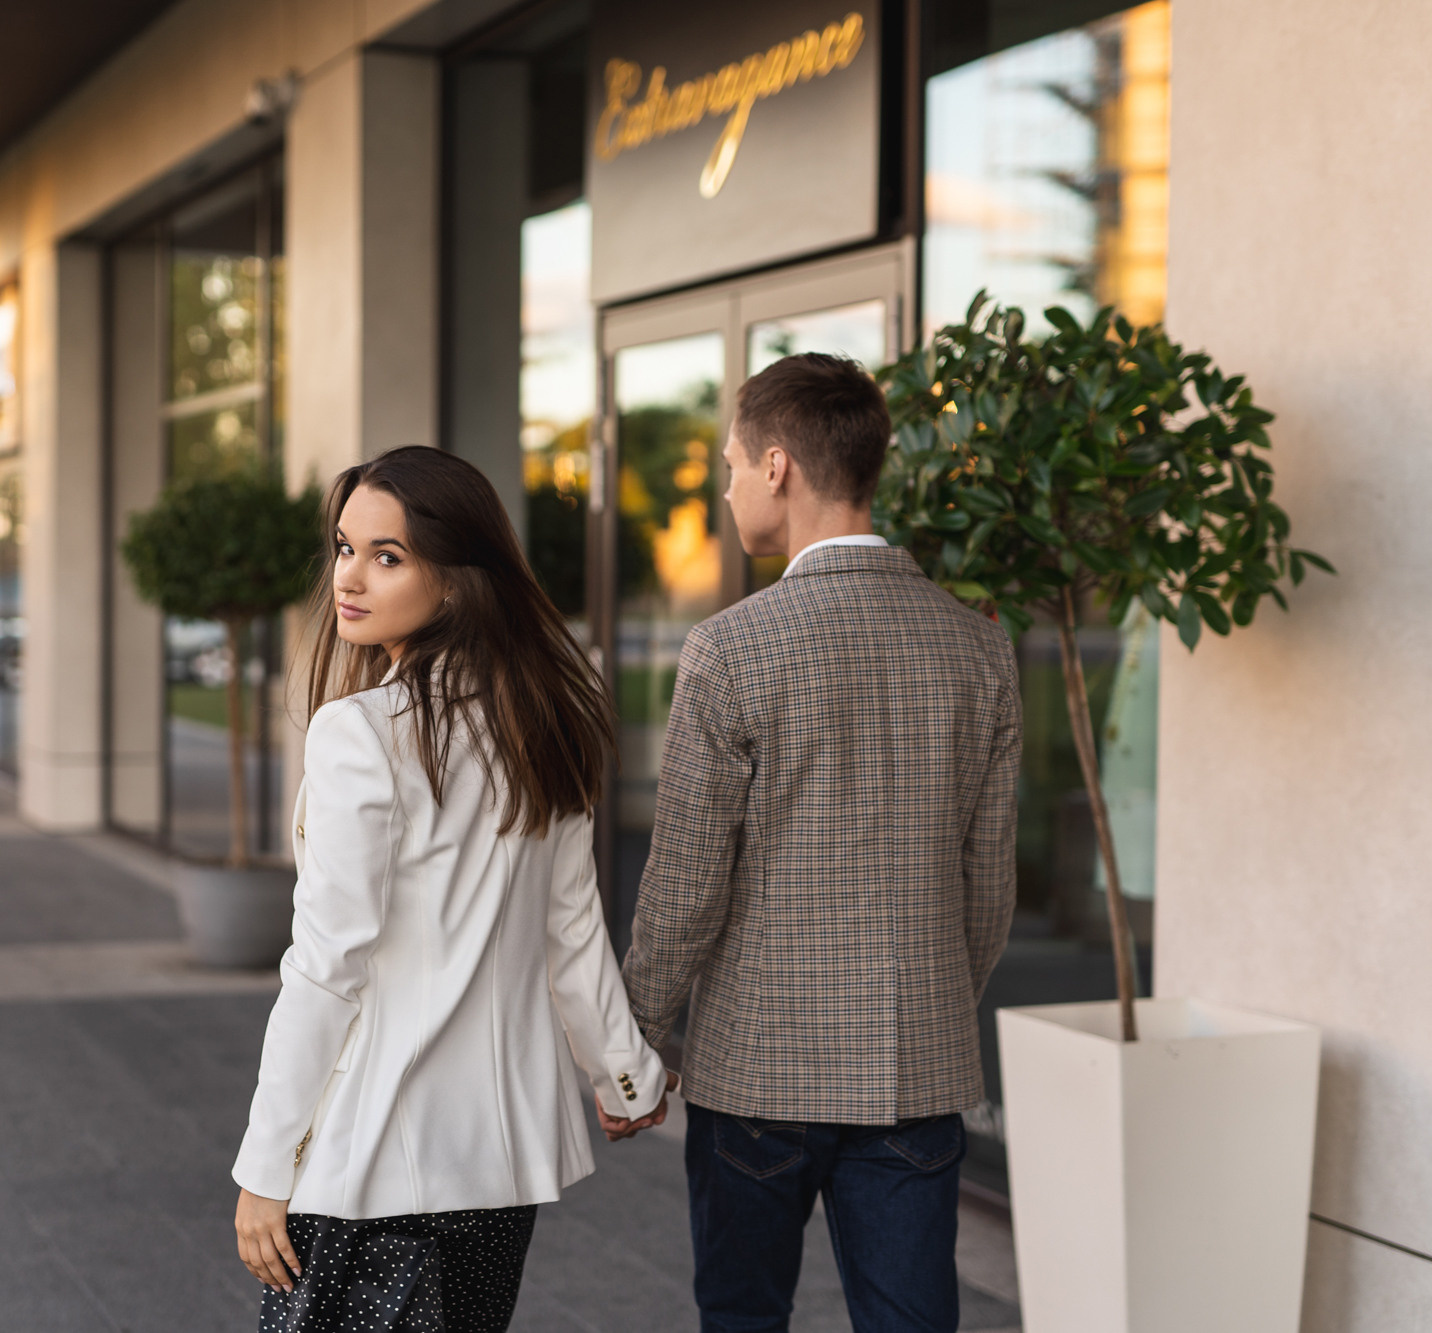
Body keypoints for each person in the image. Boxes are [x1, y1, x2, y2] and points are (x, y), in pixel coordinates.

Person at [615, 353, 1021, 1333]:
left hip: (754, 1069)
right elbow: (988, 881)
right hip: (913, 1067)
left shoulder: (731, 646)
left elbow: (684, 880)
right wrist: (927, 995)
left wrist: (635, 1033)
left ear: (777, 466)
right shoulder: (976, 645)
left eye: (727, 465)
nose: (723, 488)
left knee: (745, 1316)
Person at [232, 445, 675, 1333]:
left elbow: (326, 966)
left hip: (371, 1161)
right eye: (345, 546)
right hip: (494, 1167)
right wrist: (624, 1076)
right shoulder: (544, 716)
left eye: (387, 556)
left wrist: (263, 1166)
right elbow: (573, 926)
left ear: (460, 576)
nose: (350, 578)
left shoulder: (359, 732)